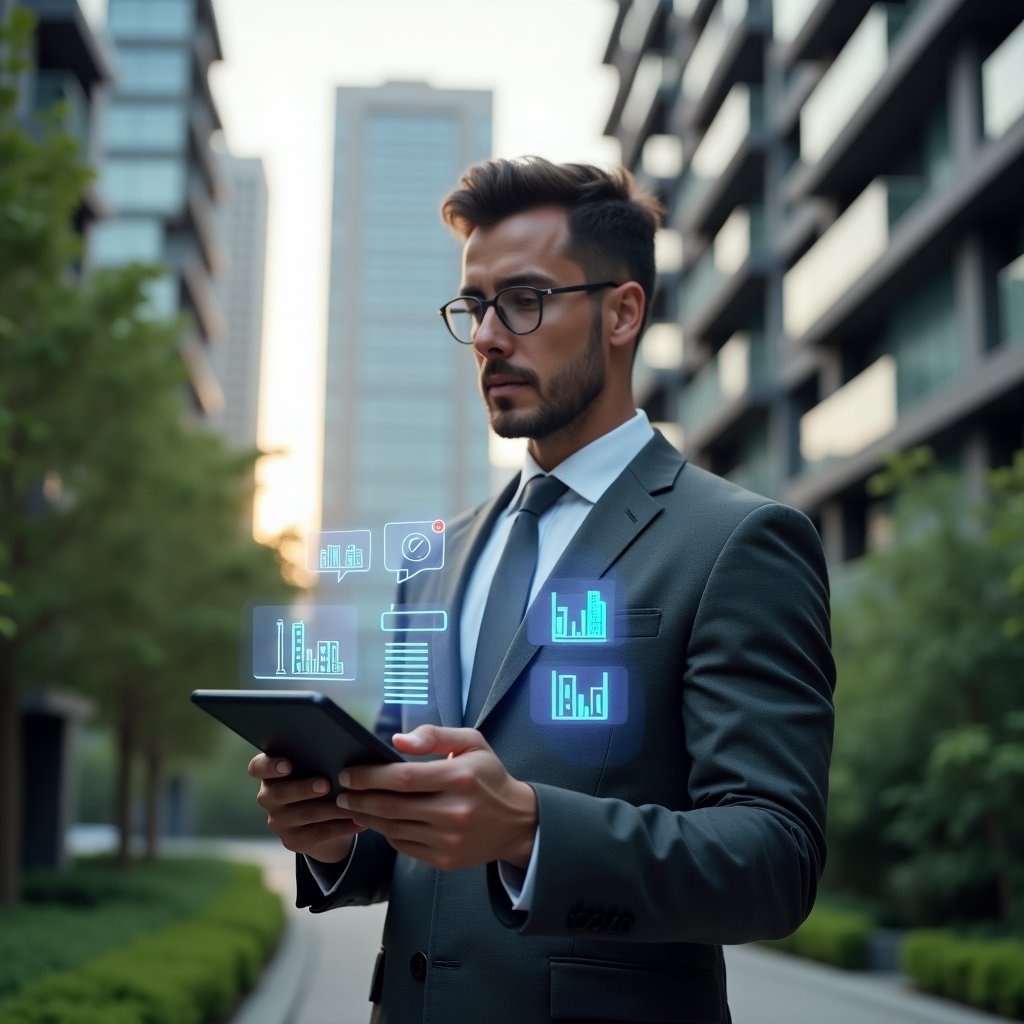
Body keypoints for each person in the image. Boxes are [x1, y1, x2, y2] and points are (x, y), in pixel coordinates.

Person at [249, 156, 835, 1024]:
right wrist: (338, 834)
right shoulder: (433, 561)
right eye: (474, 307)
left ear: (623, 312)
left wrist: (530, 830)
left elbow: (775, 859)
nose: (488, 337)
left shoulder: (738, 542)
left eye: (523, 300)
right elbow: (403, 805)